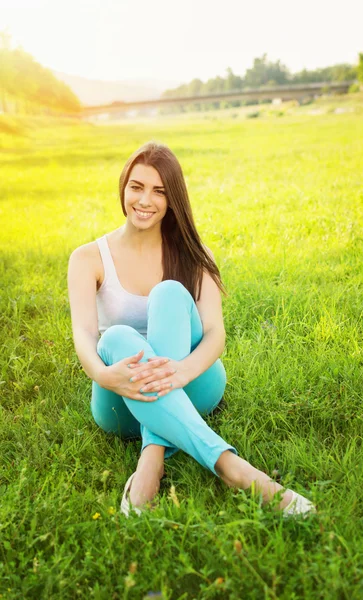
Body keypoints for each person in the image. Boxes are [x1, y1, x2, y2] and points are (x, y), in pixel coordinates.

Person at [67, 141, 316, 518]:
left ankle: (151, 462)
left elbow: (215, 333)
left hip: (193, 381)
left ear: (173, 199)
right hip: (119, 397)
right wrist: (104, 374)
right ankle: (233, 467)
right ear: (123, 187)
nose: (144, 200)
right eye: (136, 186)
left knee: (168, 293)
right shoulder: (87, 258)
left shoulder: (194, 253)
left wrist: (180, 371)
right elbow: (85, 334)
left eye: (159, 191)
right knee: (117, 337)